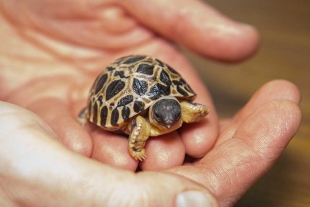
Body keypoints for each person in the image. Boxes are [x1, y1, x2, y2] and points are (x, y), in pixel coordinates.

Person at [0, 0, 301, 206]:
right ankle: (88, 114)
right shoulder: (143, 121)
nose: (170, 124)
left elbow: (192, 111)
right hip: (114, 82)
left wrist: (194, 113)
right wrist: (137, 146)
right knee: (120, 135)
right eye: (164, 119)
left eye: (174, 118)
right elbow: (139, 127)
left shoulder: (175, 110)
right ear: (154, 115)